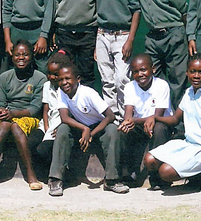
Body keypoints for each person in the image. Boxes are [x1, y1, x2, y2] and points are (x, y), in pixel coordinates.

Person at [144, 54, 201, 195]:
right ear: (187, 72)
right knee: (149, 160)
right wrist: (154, 117)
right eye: (193, 71)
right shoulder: (189, 92)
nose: (196, 76)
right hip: (189, 144)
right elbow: (175, 119)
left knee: (165, 171)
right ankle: (194, 175)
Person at [48, 63, 127, 196]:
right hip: (83, 127)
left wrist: (90, 133)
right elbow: (64, 118)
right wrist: (84, 129)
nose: (64, 82)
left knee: (113, 130)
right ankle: (56, 179)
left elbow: (110, 116)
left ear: (78, 79)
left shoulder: (88, 93)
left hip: (100, 127)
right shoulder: (61, 92)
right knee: (62, 129)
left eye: (67, 78)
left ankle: (112, 180)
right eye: (61, 79)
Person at [0, 40, 46, 190]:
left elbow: (35, 109)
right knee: (3, 127)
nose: (21, 58)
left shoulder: (39, 78)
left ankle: (31, 174)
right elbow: (1, 102)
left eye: (25, 55)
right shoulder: (4, 77)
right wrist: (2, 112)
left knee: (17, 127)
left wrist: (13, 114)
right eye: (17, 55)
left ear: (32, 56)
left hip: (29, 118)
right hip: (8, 116)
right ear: (12, 57)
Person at [135, 0, 188, 108]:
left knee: (177, 79)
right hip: (153, 37)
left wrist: (186, 36)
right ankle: (158, 118)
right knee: (153, 78)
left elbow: (184, 10)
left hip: (174, 33)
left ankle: (179, 123)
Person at [95, 0, 140, 115]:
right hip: (102, 35)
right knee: (107, 80)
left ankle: (124, 116)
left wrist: (130, 40)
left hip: (122, 36)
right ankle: (112, 118)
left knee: (122, 79)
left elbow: (136, 10)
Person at [118, 54, 172, 188]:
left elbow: (158, 115)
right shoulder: (130, 87)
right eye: (135, 71)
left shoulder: (161, 85)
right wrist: (128, 122)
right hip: (141, 125)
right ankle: (128, 173)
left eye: (143, 70)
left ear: (153, 69)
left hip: (160, 123)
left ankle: (157, 177)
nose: (140, 74)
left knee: (158, 127)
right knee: (123, 129)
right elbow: (128, 115)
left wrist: (136, 120)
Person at [28, 50, 71, 179]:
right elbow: (46, 109)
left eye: (55, 74)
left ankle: (62, 173)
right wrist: (46, 126)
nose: (52, 77)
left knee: (43, 150)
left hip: (60, 125)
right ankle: (41, 173)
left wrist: (57, 129)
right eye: (49, 74)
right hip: (47, 124)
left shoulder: (68, 88)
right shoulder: (47, 86)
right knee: (30, 143)